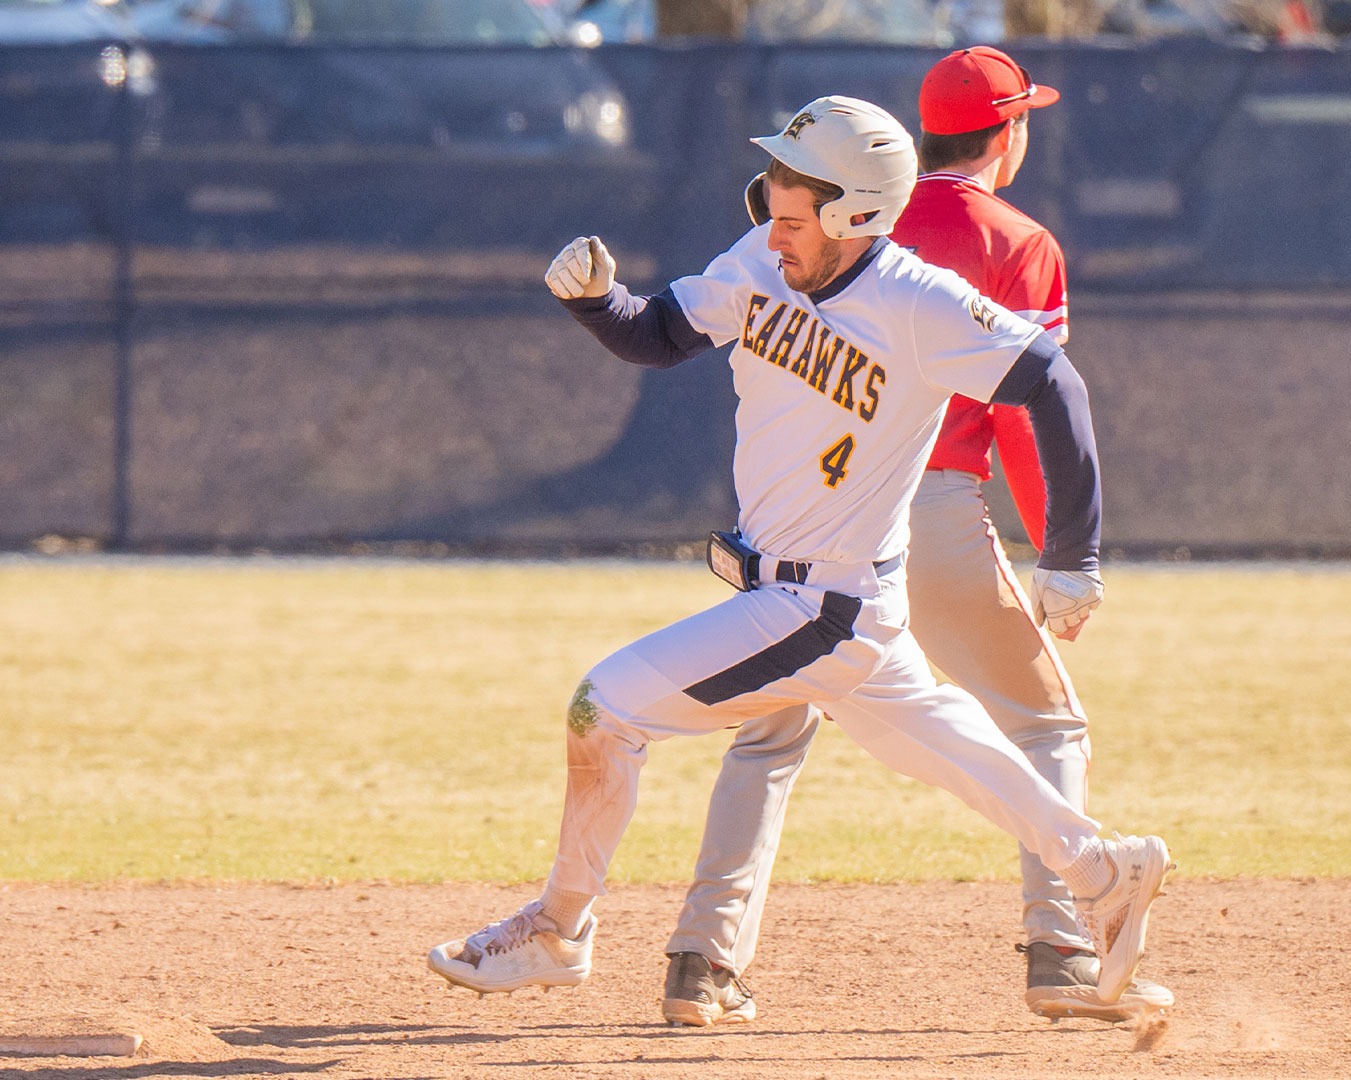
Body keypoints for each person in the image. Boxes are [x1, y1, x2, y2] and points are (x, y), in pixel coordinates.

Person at [426, 95, 1173, 1016]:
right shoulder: (760, 261)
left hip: (826, 606)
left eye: (791, 214)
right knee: (960, 755)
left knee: (605, 707)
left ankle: (556, 931)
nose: (771, 231)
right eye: (770, 205)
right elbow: (659, 333)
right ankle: (1106, 870)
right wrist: (595, 302)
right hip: (844, 605)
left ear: (855, 213)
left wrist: (1070, 552)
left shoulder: (916, 300)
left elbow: (1052, 378)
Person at [654, 46, 1172, 1030]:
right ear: (1008, 133)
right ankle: (1062, 946)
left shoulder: (838, 218)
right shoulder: (1018, 238)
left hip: (800, 516)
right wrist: (1065, 555)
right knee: (1044, 722)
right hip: (925, 514)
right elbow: (1027, 409)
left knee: (771, 729)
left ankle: (702, 961)